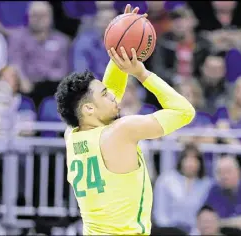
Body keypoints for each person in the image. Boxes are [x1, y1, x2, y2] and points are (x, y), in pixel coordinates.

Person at [54, 5, 195, 235]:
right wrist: (142, 74)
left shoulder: (72, 133)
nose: (113, 96)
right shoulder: (121, 131)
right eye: (104, 94)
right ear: (89, 108)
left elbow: (112, 92)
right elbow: (184, 112)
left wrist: (121, 45)